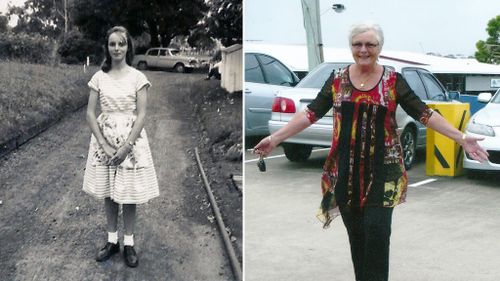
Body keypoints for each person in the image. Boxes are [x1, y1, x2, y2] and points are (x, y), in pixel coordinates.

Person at [253, 22, 489, 281]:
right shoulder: (338, 80)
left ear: (380, 48)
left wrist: (461, 137)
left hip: (383, 173)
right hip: (346, 172)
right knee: (358, 241)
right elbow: (310, 114)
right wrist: (275, 138)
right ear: (351, 47)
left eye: (370, 44)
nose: (363, 50)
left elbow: (424, 113)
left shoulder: (392, 81)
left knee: (377, 236)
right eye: (358, 44)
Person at [82, 26, 160, 268]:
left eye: (121, 44)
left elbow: (142, 114)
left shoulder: (138, 77)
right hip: (104, 141)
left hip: (130, 142)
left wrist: (127, 146)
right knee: (109, 191)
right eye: (112, 44)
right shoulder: (99, 77)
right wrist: (104, 145)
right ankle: (111, 240)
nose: (117, 48)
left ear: (128, 47)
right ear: (107, 47)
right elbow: (90, 113)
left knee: (128, 194)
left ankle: (129, 243)